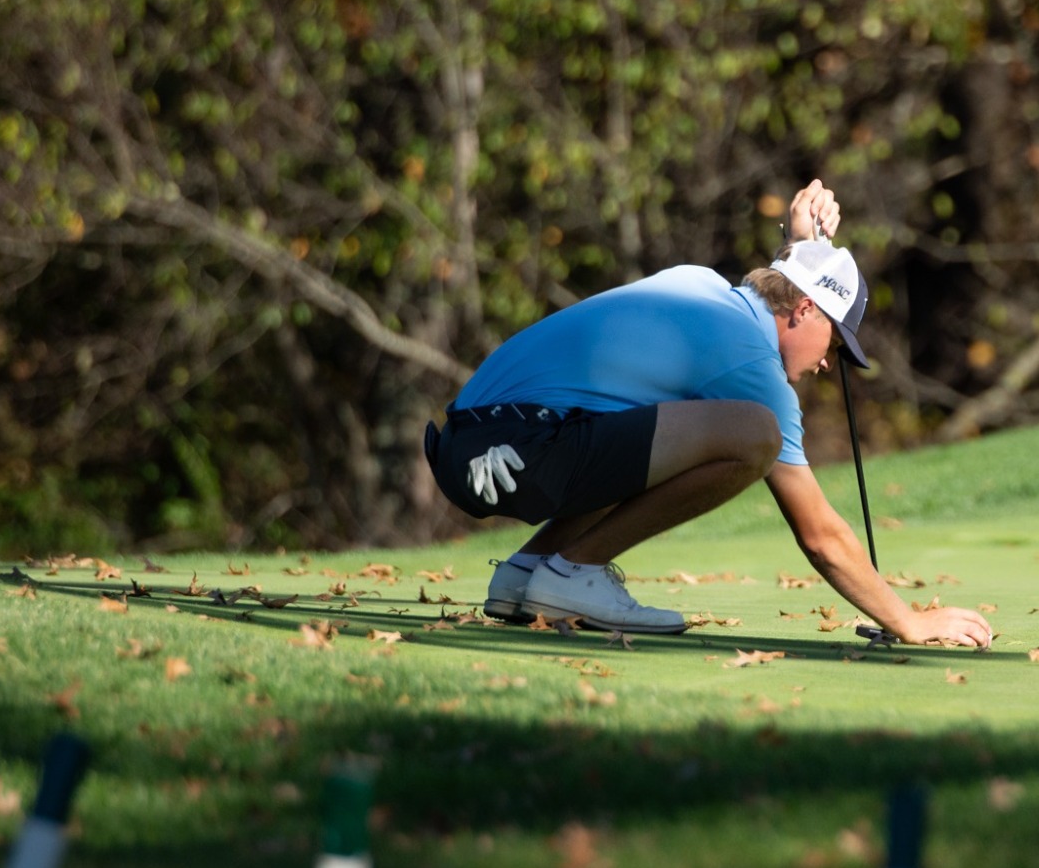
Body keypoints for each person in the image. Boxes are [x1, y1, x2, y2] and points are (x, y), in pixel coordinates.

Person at [422, 180, 995, 647]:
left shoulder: (698, 285)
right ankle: (574, 572)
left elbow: (778, 289)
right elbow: (820, 534)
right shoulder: (752, 366)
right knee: (755, 435)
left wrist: (802, 246)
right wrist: (910, 622)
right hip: (516, 454)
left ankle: (528, 570)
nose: (828, 364)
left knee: (657, 420)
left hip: (469, 446)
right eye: (836, 344)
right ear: (803, 311)